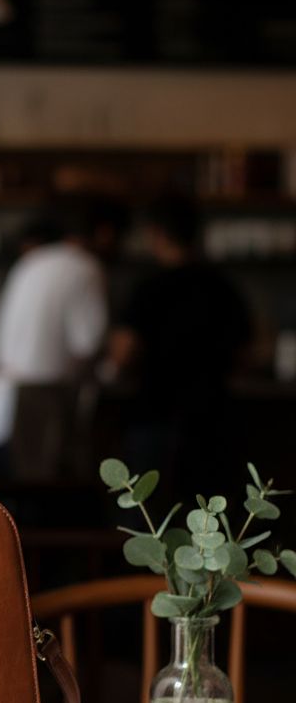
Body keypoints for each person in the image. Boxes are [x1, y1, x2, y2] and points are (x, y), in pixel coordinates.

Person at [109, 193, 252, 500]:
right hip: (213, 416)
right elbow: (245, 354)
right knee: (209, 521)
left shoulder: (149, 288)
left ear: (155, 233)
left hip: (156, 414)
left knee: (149, 520)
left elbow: (123, 353)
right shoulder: (222, 287)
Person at [0, 196, 127, 477]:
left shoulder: (32, 262)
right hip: (41, 417)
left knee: (11, 513)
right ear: (106, 233)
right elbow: (89, 343)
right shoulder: (86, 268)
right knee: (51, 510)